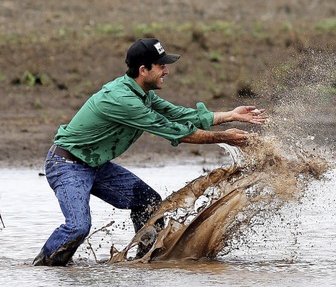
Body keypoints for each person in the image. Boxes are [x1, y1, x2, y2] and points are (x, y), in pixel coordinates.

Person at [33, 38, 268, 266]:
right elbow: (176, 131)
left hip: (95, 165)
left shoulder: (142, 93)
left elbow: (179, 114)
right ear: (143, 70)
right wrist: (227, 137)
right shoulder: (124, 100)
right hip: (67, 165)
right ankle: (43, 266)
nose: (166, 71)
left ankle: (146, 262)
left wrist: (230, 115)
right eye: (161, 66)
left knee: (148, 202)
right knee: (77, 227)